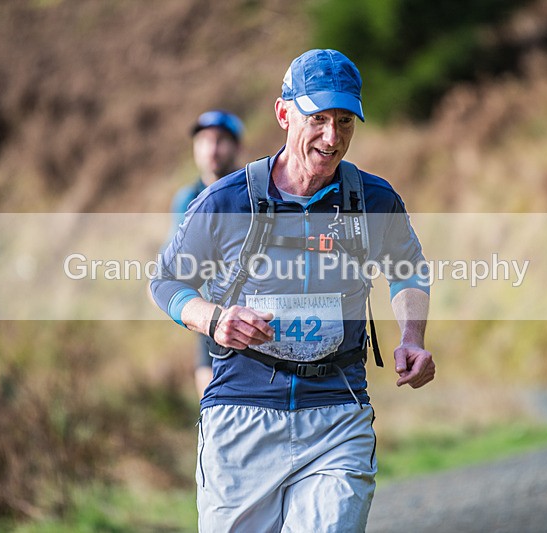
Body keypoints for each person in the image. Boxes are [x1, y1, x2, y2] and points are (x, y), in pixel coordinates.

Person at [151, 49, 435, 532]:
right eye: (318, 119)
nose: (332, 137)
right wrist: (214, 319)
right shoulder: (225, 200)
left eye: (345, 121)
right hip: (241, 413)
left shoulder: (374, 199)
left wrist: (412, 336)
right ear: (284, 113)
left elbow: (408, 269)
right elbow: (166, 282)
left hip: (337, 413)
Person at [168, 110, 244, 398]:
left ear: (237, 147)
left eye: (221, 140)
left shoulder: (252, 191)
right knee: (210, 404)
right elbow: (174, 256)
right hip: (208, 316)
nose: (212, 149)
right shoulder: (186, 199)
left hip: (252, 310)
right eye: (204, 141)